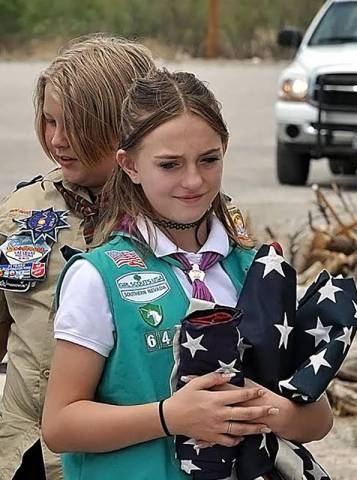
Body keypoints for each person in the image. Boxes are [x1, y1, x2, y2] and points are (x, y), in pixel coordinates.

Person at [41, 69, 335, 480]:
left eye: (209, 160)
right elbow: (59, 425)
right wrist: (169, 417)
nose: (193, 180)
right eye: (169, 165)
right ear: (130, 165)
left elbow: (318, 418)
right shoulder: (98, 277)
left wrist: (269, 410)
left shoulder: (255, 269)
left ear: (225, 150)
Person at [0, 35, 155, 480]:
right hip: (27, 450)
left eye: (77, 125)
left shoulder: (177, 217)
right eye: (49, 121)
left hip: (131, 454)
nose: (57, 139)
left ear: (127, 126)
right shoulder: (21, 212)